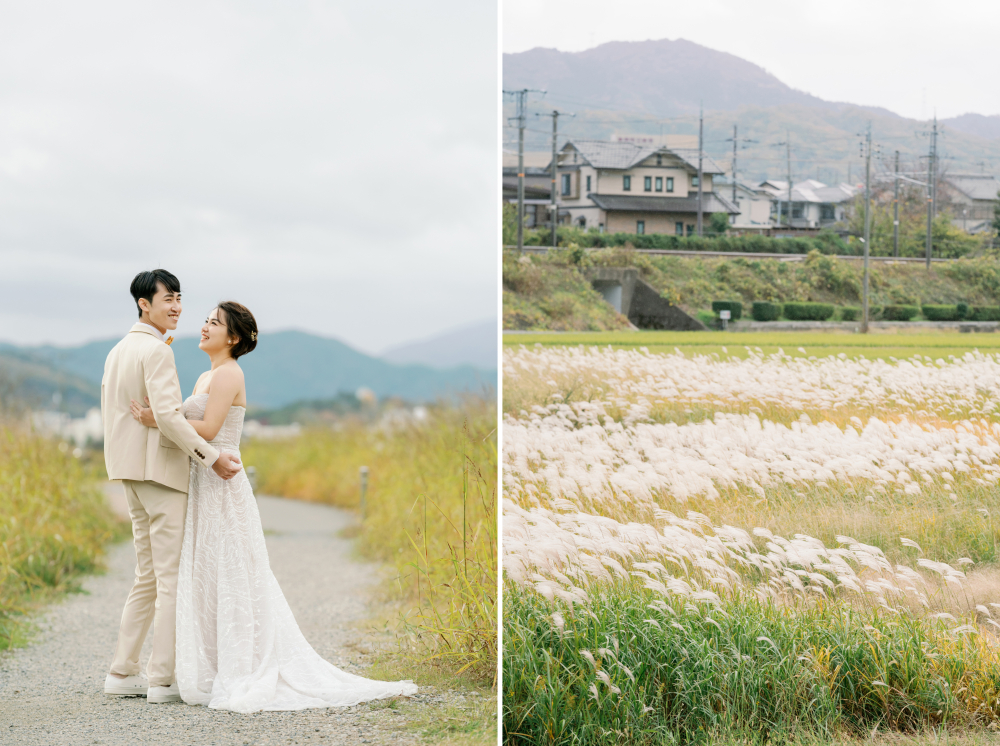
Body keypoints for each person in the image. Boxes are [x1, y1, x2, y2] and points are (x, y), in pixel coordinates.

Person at [130, 301, 416, 712]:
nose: (205, 326)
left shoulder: (229, 373)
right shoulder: (206, 374)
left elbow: (208, 429)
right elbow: (187, 425)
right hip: (202, 480)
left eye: (214, 323)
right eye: (206, 320)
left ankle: (240, 664)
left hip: (222, 481)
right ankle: (211, 665)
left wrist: (157, 419)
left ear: (233, 337)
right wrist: (161, 413)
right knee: (207, 573)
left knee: (232, 571)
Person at [102, 269, 243, 705]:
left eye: (179, 298)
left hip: (129, 473)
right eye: (169, 299)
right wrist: (210, 456)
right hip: (161, 474)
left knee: (147, 575)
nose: (177, 307)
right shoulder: (156, 351)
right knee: (169, 579)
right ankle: (162, 680)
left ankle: (121, 671)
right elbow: (167, 416)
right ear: (144, 304)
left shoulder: (118, 350)